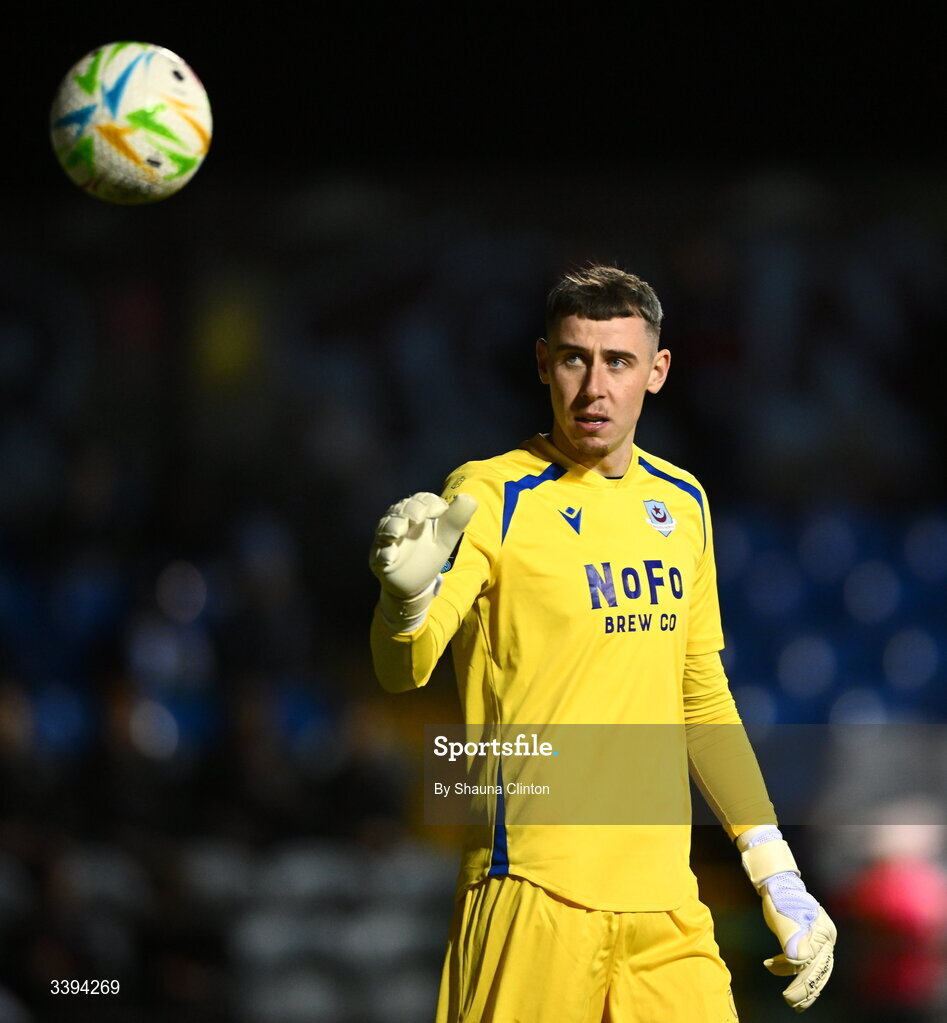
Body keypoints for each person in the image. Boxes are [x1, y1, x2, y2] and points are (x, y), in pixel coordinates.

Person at [369, 264, 836, 1021]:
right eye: (573, 357)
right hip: (530, 891)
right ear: (542, 362)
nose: (594, 386)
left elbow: (700, 695)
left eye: (617, 361)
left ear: (656, 371)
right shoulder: (489, 494)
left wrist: (774, 868)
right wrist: (405, 597)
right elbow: (402, 668)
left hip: (665, 907)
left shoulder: (682, 503)